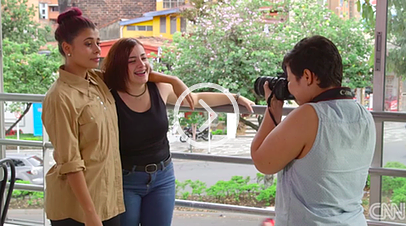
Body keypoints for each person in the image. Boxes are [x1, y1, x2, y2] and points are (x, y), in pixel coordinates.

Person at [42, 8, 192, 226]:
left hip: (108, 199)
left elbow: (133, 73)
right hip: (77, 210)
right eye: (88, 44)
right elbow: (70, 163)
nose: (96, 50)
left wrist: (173, 80)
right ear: (67, 48)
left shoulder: (97, 80)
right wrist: (90, 214)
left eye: (97, 42)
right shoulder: (60, 97)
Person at [101, 37, 255, 226]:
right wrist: (171, 78)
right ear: (119, 65)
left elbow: (195, 99)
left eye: (144, 58)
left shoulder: (158, 89)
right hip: (126, 181)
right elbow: (96, 74)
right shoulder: (107, 94)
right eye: (132, 61)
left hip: (162, 178)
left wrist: (235, 97)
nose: (141, 65)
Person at [250, 35, 376, 225]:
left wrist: (273, 107)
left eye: (290, 80)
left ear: (308, 77)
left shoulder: (309, 115)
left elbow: (262, 161)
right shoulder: (363, 115)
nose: (289, 88)